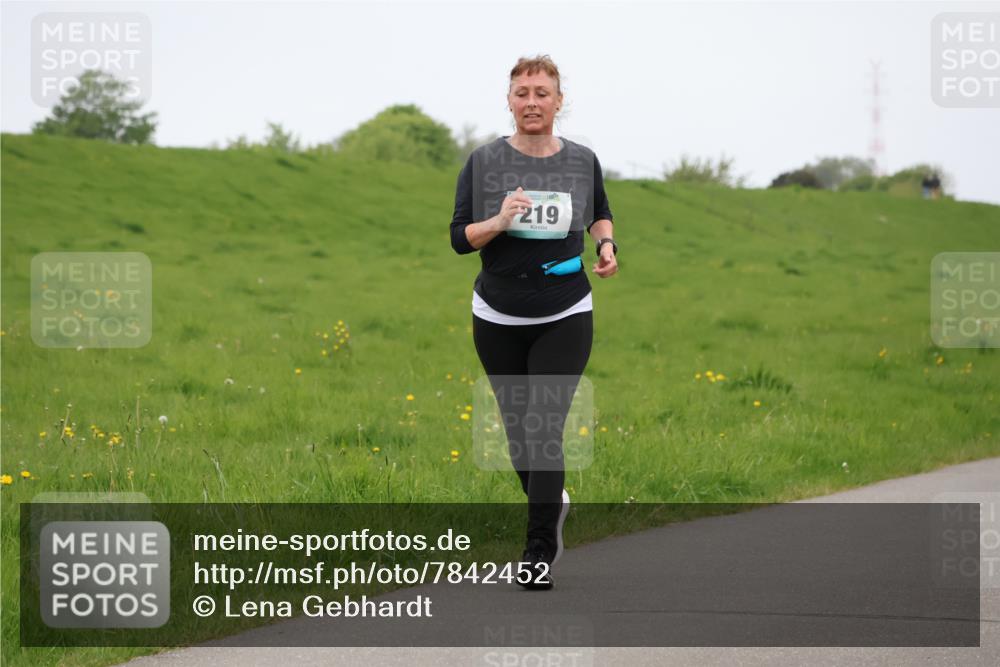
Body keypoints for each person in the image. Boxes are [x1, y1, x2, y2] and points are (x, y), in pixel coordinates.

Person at [449, 55, 619, 590]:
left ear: (558, 101)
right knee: (519, 435)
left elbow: (600, 212)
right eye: (522, 92)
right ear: (509, 100)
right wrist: (500, 220)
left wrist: (607, 244)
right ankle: (553, 499)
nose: (531, 102)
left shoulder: (582, 160)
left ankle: (537, 553)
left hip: (565, 309)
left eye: (542, 92)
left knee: (544, 429)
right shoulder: (484, 162)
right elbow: (459, 238)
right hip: (497, 313)